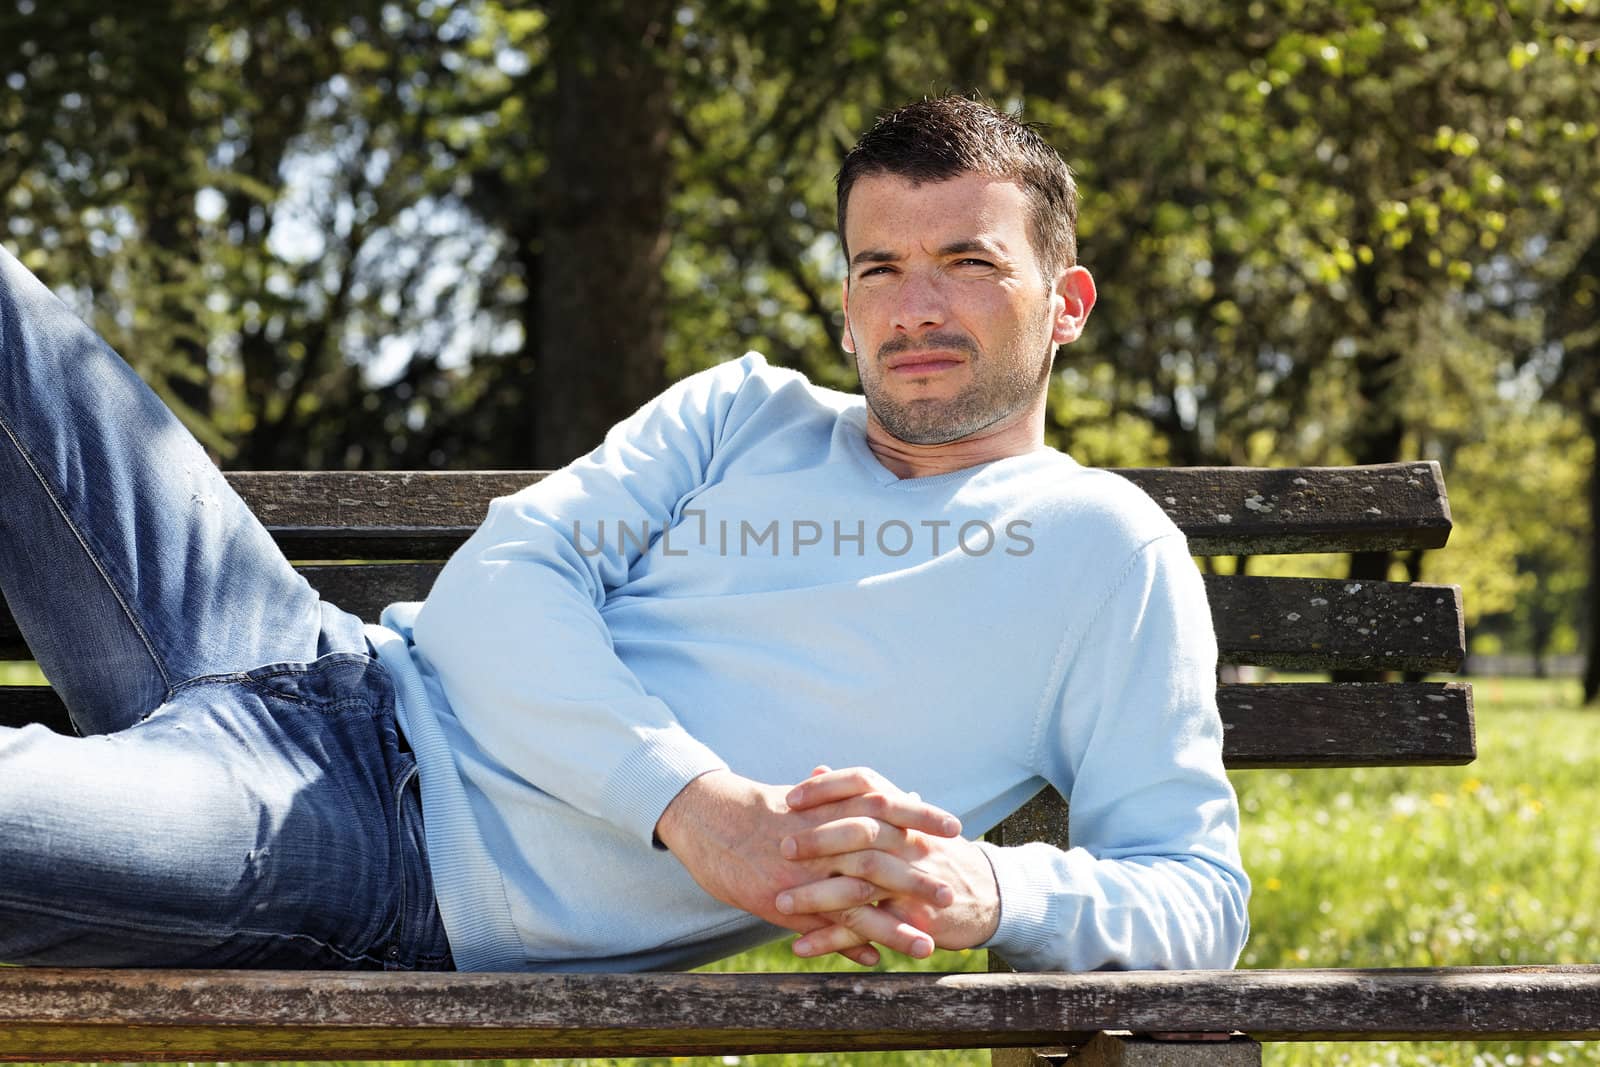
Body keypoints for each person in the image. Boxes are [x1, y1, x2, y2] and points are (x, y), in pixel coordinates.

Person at [0, 95, 1249, 974]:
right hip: (310, 657)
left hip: (384, 852)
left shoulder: (1106, 553)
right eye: (878, 269)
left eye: (967, 262)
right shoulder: (743, 407)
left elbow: (1198, 893)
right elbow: (500, 585)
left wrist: (994, 888)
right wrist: (702, 810)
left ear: (1065, 301)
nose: (914, 307)